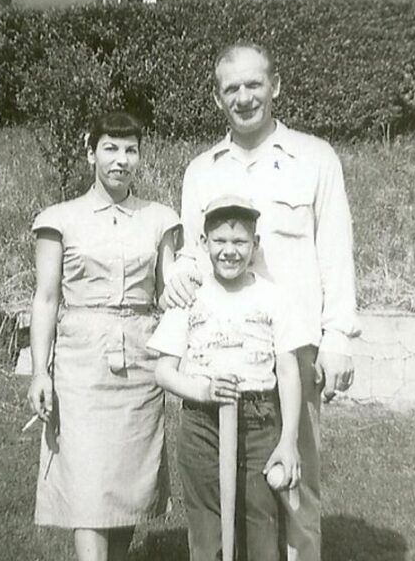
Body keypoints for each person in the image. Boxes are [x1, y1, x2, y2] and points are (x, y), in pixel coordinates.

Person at [163, 42, 361, 561]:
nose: (244, 97)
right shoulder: (201, 170)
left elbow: (336, 252)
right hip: (224, 359)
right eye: (232, 88)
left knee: (293, 489)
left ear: (276, 86)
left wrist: (338, 338)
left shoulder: (316, 159)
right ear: (216, 97)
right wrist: (178, 279)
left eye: (254, 85)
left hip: (295, 354)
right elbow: (192, 255)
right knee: (219, 496)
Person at [26, 111, 180, 561]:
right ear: (89, 151)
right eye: (110, 148)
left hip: (141, 357)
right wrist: (40, 373)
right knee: (89, 481)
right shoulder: (59, 219)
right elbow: (46, 299)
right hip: (81, 358)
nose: (121, 160)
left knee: (130, 483)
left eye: (130, 150)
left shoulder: (160, 219)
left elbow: (171, 292)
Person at [148, 195, 306, 561]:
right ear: (203, 243)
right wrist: (204, 389)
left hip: (259, 424)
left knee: (260, 525)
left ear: (256, 245)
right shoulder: (190, 297)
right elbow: (163, 371)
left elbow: (288, 370)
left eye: (240, 242)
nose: (230, 251)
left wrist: (288, 440)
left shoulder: (273, 298)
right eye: (220, 241)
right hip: (202, 426)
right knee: (207, 531)